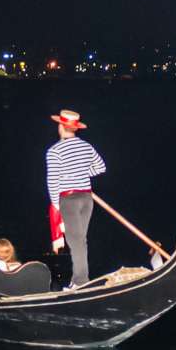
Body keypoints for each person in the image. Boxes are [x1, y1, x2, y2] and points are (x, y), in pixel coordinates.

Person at [44, 109, 107, 288]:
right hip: (86, 198)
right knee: (80, 240)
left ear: (61, 126)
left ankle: (80, 281)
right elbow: (101, 167)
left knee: (76, 241)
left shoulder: (54, 151)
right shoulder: (87, 146)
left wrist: (55, 205)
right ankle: (77, 279)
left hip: (68, 199)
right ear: (75, 128)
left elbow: (52, 180)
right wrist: (82, 173)